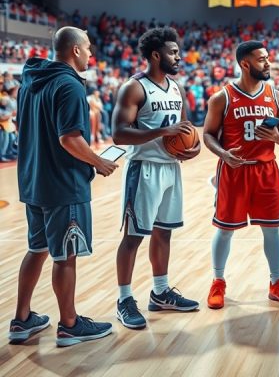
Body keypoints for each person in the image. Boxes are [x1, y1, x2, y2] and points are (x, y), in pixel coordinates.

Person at [9, 27, 119, 347]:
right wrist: (98, 161)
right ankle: (70, 324)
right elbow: (69, 139)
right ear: (75, 50)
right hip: (63, 183)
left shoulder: (30, 82)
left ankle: (21, 319)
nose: (91, 54)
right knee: (65, 255)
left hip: (34, 181)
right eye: (88, 48)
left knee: (38, 249)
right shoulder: (69, 85)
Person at [111, 27, 201, 330]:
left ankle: (160, 292)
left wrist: (192, 147)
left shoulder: (176, 88)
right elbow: (119, 133)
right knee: (134, 236)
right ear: (155, 55)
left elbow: (185, 128)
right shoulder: (134, 88)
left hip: (171, 169)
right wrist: (162, 132)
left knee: (164, 233)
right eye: (173, 52)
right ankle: (124, 299)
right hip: (143, 169)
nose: (178, 57)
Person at [204, 40, 279, 309]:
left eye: (267, 58)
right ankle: (218, 281)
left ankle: (276, 282)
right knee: (225, 230)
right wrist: (223, 154)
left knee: (272, 229)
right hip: (234, 170)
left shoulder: (276, 96)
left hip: (266, 170)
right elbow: (208, 134)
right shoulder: (222, 97)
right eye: (262, 59)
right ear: (245, 64)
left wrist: (276, 136)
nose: (268, 63)